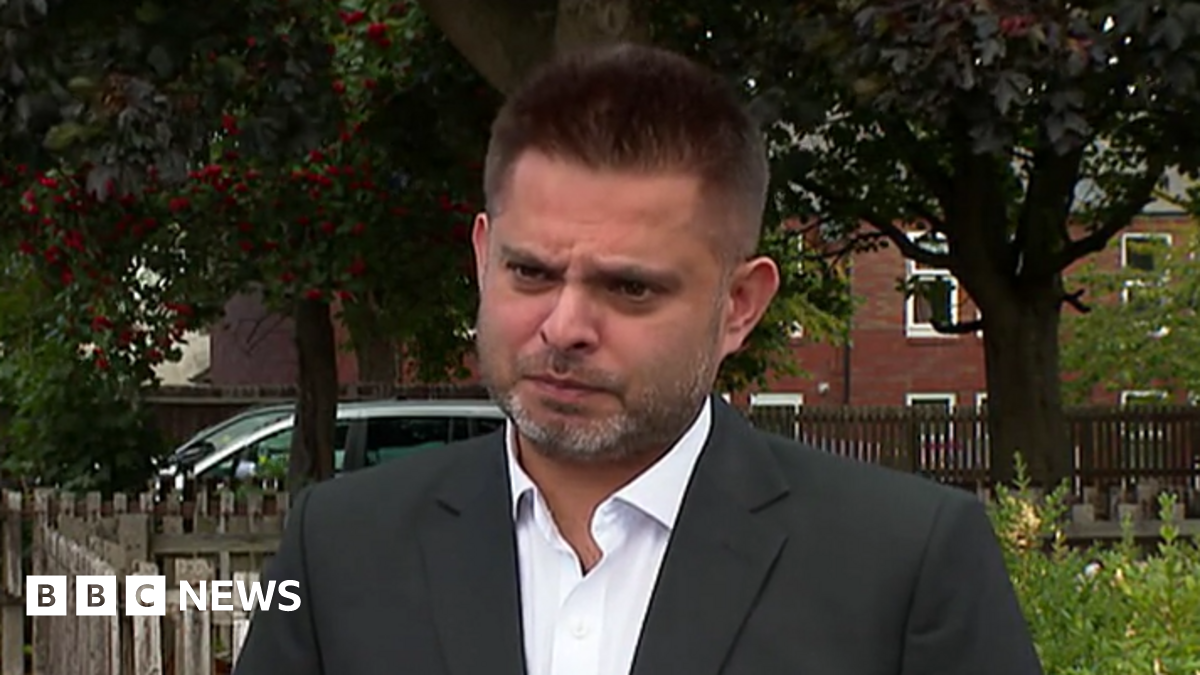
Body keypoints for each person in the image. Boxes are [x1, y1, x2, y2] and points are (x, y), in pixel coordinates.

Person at [233, 43, 1045, 675]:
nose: (565, 326)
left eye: (629, 287)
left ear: (739, 306)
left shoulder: (904, 561)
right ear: (482, 258)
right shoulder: (341, 546)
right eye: (531, 272)